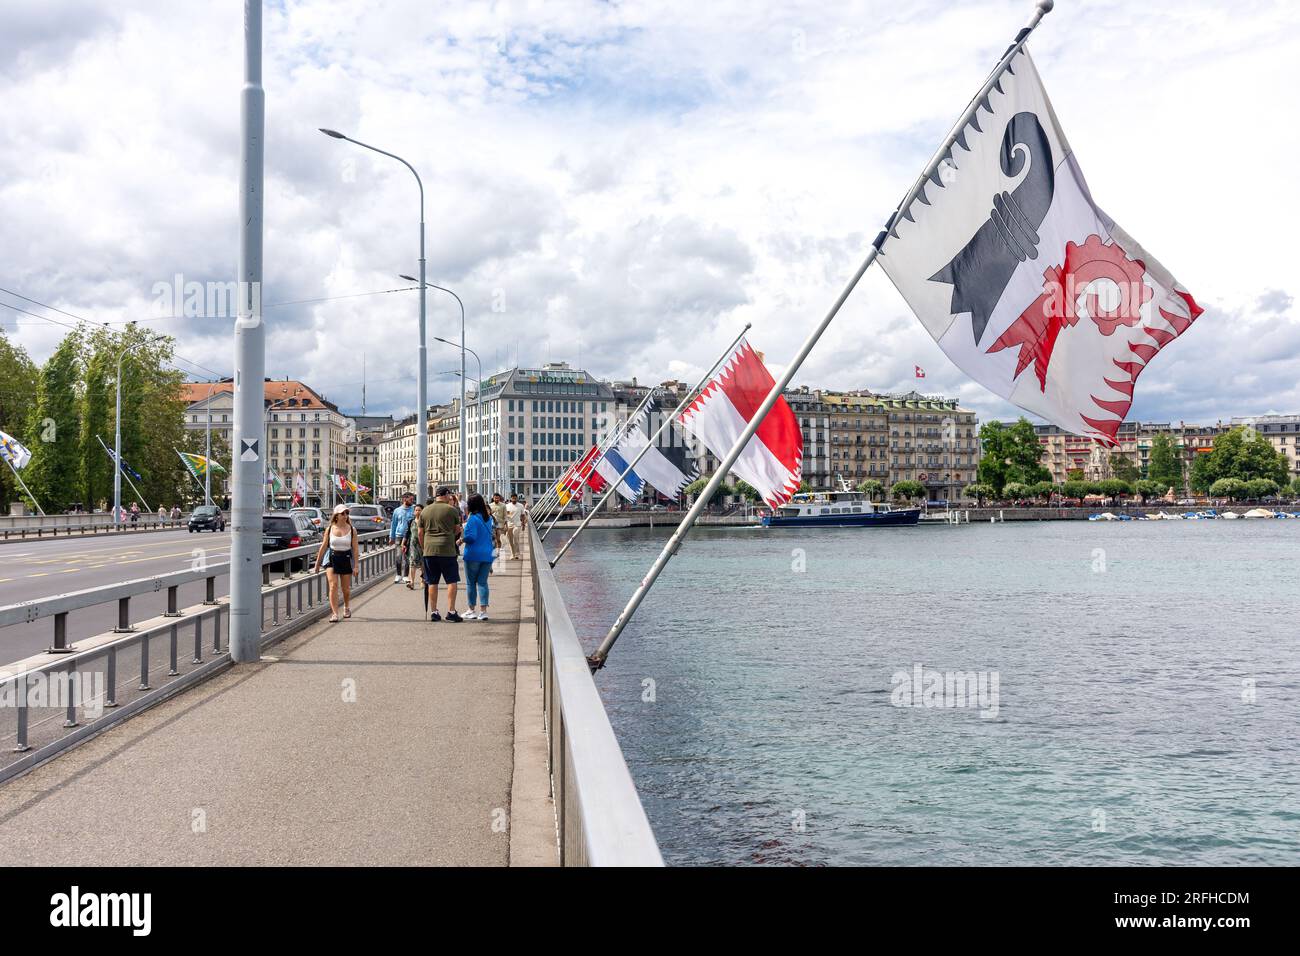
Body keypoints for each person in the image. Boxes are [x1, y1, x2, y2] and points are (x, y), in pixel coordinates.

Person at [417, 486, 462, 623]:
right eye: (450, 495)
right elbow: (457, 529)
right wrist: (448, 537)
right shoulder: (452, 510)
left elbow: (420, 533)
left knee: (432, 582)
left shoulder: (425, 511)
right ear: (446, 495)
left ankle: (434, 612)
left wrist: (425, 546)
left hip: (429, 550)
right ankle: (451, 611)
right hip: (447, 550)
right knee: (451, 581)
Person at [313, 504, 359, 623]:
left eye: (347, 513)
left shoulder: (352, 530)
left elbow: (355, 549)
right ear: (336, 515)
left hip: (346, 558)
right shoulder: (330, 529)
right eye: (342, 513)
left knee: (345, 589)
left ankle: (346, 607)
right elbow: (323, 547)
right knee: (333, 586)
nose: (345, 516)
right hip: (332, 558)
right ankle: (334, 613)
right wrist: (317, 564)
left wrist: (356, 566)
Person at [461, 494, 494, 621]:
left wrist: (461, 540)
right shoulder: (488, 518)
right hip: (487, 554)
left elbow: (471, 537)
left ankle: (471, 610)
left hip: (473, 554)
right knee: (483, 583)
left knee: (470, 583)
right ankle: (484, 611)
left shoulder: (473, 518)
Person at [389, 491, 416, 584]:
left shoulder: (414, 509)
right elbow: (394, 524)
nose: (412, 501)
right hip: (399, 535)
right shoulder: (397, 510)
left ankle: (405, 575)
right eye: (411, 499)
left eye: (413, 499)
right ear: (405, 499)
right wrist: (391, 537)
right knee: (398, 555)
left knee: (408, 556)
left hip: (410, 536)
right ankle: (398, 575)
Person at [405, 502, 423, 589]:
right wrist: (403, 543)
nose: (418, 512)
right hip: (413, 544)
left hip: (423, 544)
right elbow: (407, 533)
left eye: (419, 510)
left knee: (423, 563)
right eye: (416, 510)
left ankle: (422, 580)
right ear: (414, 512)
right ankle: (411, 582)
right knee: (412, 562)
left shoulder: (425, 521)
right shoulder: (411, 521)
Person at [504, 493, 525, 559]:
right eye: (512, 498)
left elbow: (523, 515)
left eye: (515, 498)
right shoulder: (507, 506)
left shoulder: (521, 505)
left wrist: (523, 524)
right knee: (510, 540)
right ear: (511, 498)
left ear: (517, 498)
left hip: (517, 524)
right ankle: (512, 554)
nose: (514, 499)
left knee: (515, 538)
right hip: (509, 524)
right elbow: (506, 516)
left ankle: (517, 554)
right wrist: (505, 525)